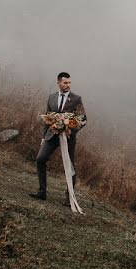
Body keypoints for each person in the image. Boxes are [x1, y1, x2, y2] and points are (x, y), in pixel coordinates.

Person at [30, 72, 87, 203]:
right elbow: (47, 118)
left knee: (70, 166)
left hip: (68, 137)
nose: (68, 85)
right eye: (65, 83)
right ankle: (42, 191)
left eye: (69, 83)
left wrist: (70, 129)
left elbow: (83, 119)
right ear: (58, 83)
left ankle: (69, 198)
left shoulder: (77, 99)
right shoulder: (51, 97)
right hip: (51, 135)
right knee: (40, 159)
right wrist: (43, 137)